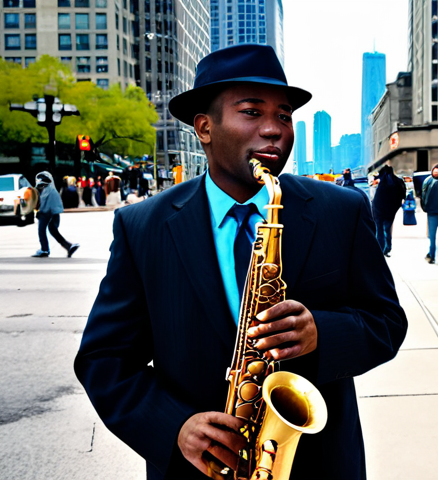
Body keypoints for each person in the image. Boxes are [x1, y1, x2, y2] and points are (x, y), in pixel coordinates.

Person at [73, 44, 407, 480]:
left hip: (321, 464)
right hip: (197, 469)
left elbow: (386, 322)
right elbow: (104, 359)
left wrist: (321, 332)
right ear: (204, 127)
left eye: (284, 116)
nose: (275, 130)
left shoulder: (341, 211)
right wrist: (174, 426)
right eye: (252, 112)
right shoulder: (142, 227)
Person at [32, 171, 79, 258]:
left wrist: (41, 212)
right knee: (53, 231)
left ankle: (44, 249)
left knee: (42, 231)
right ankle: (68, 246)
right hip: (50, 214)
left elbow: (49, 205)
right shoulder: (47, 189)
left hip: (48, 214)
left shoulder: (50, 190)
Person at [371, 164, 406, 257]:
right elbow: (402, 196)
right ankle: (387, 248)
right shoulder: (398, 182)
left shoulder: (381, 183)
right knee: (387, 229)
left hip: (379, 211)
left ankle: (380, 250)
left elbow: (376, 199)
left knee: (379, 230)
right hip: (390, 212)